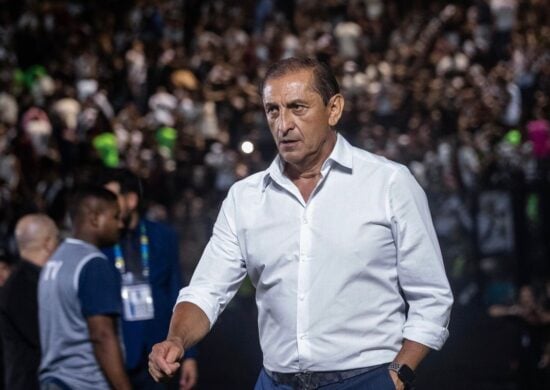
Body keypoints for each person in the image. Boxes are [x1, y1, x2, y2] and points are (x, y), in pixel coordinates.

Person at [149, 56, 454, 390]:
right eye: (273, 110)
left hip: (366, 379)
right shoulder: (244, 198)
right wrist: (176, 339)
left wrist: (398, 375)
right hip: (275, 382)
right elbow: (207, 290)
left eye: (297, 107)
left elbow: (431, 297)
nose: (283, 124)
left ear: (334, 109)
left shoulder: (389, 183)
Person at [101, 168, 198, 390]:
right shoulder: (102, 244)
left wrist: (190, 354)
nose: (105, 205)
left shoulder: (163, 236)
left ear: (131, 199)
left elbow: (177, 290)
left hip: (159, 351)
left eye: (111, 198)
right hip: (119, 353)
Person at [38, 187, 131, 390]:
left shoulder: (56, 259)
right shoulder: (93, 264)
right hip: (85, 382)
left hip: (54, 380)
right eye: (116, 217)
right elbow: (102, 335)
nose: (121, 224)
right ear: (95, 218)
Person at [0, 214, 59, 390]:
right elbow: (47, 338)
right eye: (58, 239)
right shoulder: (22, 287)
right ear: (48, 243)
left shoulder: (32, 280)